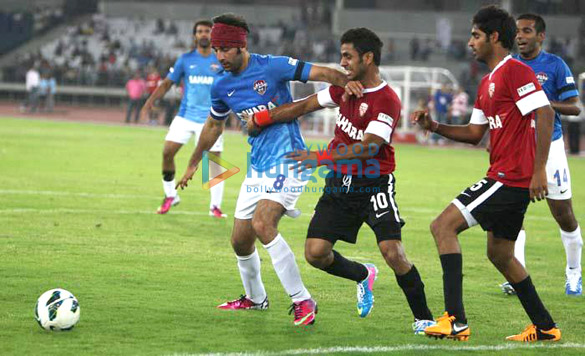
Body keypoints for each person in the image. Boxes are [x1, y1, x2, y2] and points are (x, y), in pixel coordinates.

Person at [244, 27, 436, 335]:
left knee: (392, 251)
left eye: (348, 56)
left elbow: (369, 147)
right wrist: (262, 119)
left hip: (374, 184)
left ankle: (424, 318)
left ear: (368, 57)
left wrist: (319, 158)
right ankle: (363, 274)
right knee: (315, 253)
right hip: (339, 183)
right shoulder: (343, 89)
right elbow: (303, 106)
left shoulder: (386, 100)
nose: (342, 62)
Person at [176, 13, 362, 326]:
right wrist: (195, 162)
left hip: (290, 160)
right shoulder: (221, 84)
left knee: (263, 224)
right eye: (217, 49)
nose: (219, 55)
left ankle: (303, 300)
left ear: (240, 47)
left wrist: (350, 83)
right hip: (259, 166)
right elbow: (212, 125)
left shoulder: (272, 66)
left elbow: (322, 72)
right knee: (239, 240)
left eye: (225, 49)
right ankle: (255, 298)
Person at [412, 5, 560, 342]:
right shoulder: (487, 82)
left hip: (510, 178)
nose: (469, 43)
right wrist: (433, 125)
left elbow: (545, 112)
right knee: (500, 255)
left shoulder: (515, 72)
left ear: (494, 37)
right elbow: (475, 133)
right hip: (506, 176)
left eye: (476, 35)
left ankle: (455, 320)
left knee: (442, 225)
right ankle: (546, 326)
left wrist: (539, 170)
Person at [497, 13, 582, 296]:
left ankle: (574, 272)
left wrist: (543, 103)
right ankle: (516, 275)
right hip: (517, 149)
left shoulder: (555, 65)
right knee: (513, 215)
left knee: (563, 214)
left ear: (540, 36)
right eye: (518, 32)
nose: (520, 36)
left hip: (552, 146)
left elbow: (575, 107)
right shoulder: (508, 66)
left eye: (527, 31)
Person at [141, 20, 226, 216]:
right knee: (167, 153)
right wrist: (150, 101)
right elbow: (166, 83)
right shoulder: (185, 59)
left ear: (212, 36)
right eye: (200, 31)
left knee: (213, 162)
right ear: (194, 35)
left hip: (211, 120)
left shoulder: (221, 60)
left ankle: (215, 206)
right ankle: (171, 195)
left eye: (207, 31)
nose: (203, 34)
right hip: (185, 116)